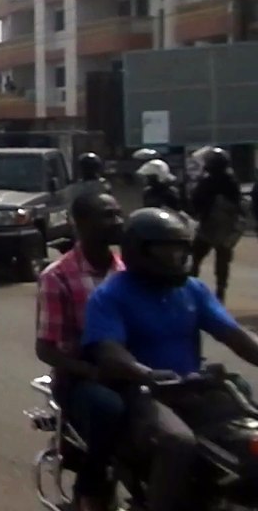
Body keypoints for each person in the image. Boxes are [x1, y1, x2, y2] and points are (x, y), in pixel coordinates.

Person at [83, 207, 258, 511]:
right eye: (166, 250)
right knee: (178, 442)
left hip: (194, 386)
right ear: (139, 251)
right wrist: (144, 372)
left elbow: (234, 335)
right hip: (145, 392)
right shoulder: (111, 295)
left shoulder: (192, 290)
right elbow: (109, 351)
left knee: (247, 435)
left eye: (180, 250)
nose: (176, 258)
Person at [35, 193, 126, 511]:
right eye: (108, 215)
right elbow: (46, 348)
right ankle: (89, 489)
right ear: (82, 223)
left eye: (118, 214)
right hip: (80, 376)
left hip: (129, 368)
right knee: (108, 410)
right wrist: (91, 372)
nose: (117, 222)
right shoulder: (57, 276)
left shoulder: (128, 272)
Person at [188, 147, 244, 303]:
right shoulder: (232, 181)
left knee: (195, 258)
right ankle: (220, 292)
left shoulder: (207, 182)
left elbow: (196, 202)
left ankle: (190, 290)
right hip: (226, 228)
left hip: (208, 227)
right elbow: (238, 204)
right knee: (222, 262)